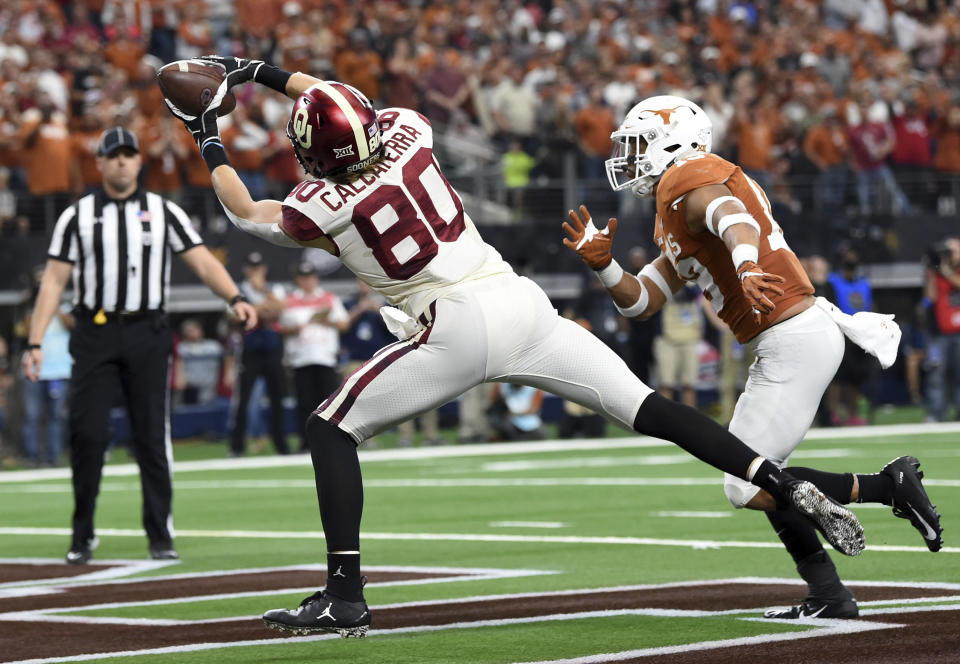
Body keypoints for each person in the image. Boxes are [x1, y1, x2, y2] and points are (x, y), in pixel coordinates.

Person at [165, 56, 867, 638]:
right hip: (522, 302)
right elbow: (336, 97)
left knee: (329, 427)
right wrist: (256, 70)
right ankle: (779, 480)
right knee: (649, 408)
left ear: (315, 154)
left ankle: (344, 595)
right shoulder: (409, 128)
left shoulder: (323, 202)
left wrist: (207, 133)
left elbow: (247, 212)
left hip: (454, 322)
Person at [569, 94, 942, 620]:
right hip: (789, 338)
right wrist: (606, 268)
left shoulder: (686, 177)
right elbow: (642, 301)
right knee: (763, 472)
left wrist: (745, 266)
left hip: (792, 335)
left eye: (636, 145)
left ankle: (889, 488)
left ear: (671, 142)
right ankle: (830, 594)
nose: (627, 160)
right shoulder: (673, 206)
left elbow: (731, 216)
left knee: (746, 481)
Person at [21, 126, 257, 565]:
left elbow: (203, 260)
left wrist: (235, 297)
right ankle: (82, 533)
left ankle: (159, 532)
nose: (122, 162)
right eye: (114, 156)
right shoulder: (78, 215)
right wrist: (35, 340)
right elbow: (54, 280)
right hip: (94, 331)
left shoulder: (163, 211)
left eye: (129, 155)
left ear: (139, 162)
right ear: (101, 163)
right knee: (88, 433)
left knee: (151, 434)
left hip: (147, 331)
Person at [278, 261, 349, 452]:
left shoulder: (328, 298)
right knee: (304, 403)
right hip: (300, 358)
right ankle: (306, 442)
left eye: (310, 277)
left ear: (315, 278)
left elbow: (344, 323)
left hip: (325, 356)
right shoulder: (289, 300)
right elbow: (280, 327)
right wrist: (293, 329)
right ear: (298, 280)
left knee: (329, 402)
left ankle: (332, 440)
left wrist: (328, 321)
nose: (307, 281)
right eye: (303, 278)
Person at [228, 252, 290, 457]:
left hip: (272, 349)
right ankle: (237, 445)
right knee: (244, 399)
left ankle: (281, 444)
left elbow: (279, 311)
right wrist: (263, 308)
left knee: (277, 398)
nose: (255, 272)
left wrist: (260, 295)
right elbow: (235, 316)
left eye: (258, 268)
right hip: (250, 349)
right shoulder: (238, 291)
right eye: (251, 268)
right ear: (246, 270)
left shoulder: (272, 288)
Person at [19, 265, 73, 466]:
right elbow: (23, 331)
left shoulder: (64, 306)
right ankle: (32, 456)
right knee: (32, 416)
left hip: (58, 371)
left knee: (56, 416)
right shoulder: (30, 309)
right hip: (34, 370)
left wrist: (53, 302)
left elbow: (70, 323)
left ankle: (54, 455)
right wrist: (36, 304)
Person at [826, 248, 875, 425]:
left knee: (857, 378)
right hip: (841, 334)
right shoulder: (833, 281)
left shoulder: (864, 283)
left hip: (860, 336)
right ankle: (834, 413)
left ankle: (852, 414)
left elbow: (870, 306)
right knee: (838, 377)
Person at [923, 236, 960, 422]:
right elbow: (930, 297)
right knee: (936, 375)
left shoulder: (952, 271)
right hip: (939, 334)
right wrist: (931, 271)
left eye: (952, 251)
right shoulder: (938, 273)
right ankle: (936, 413)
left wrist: (946, 271)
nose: (948, 254)